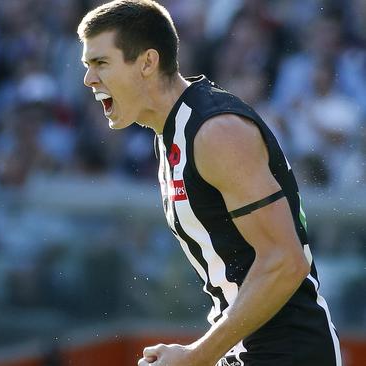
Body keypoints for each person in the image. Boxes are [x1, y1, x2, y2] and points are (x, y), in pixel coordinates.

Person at [77, 1, 341, 366]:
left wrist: (197, 355)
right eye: (88, 66)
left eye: (101, 63)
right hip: (249, 349)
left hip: (291, 352)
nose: (89, 79)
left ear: (148, 62)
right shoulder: (170, 133)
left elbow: (285, 261)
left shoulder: (216, 131)